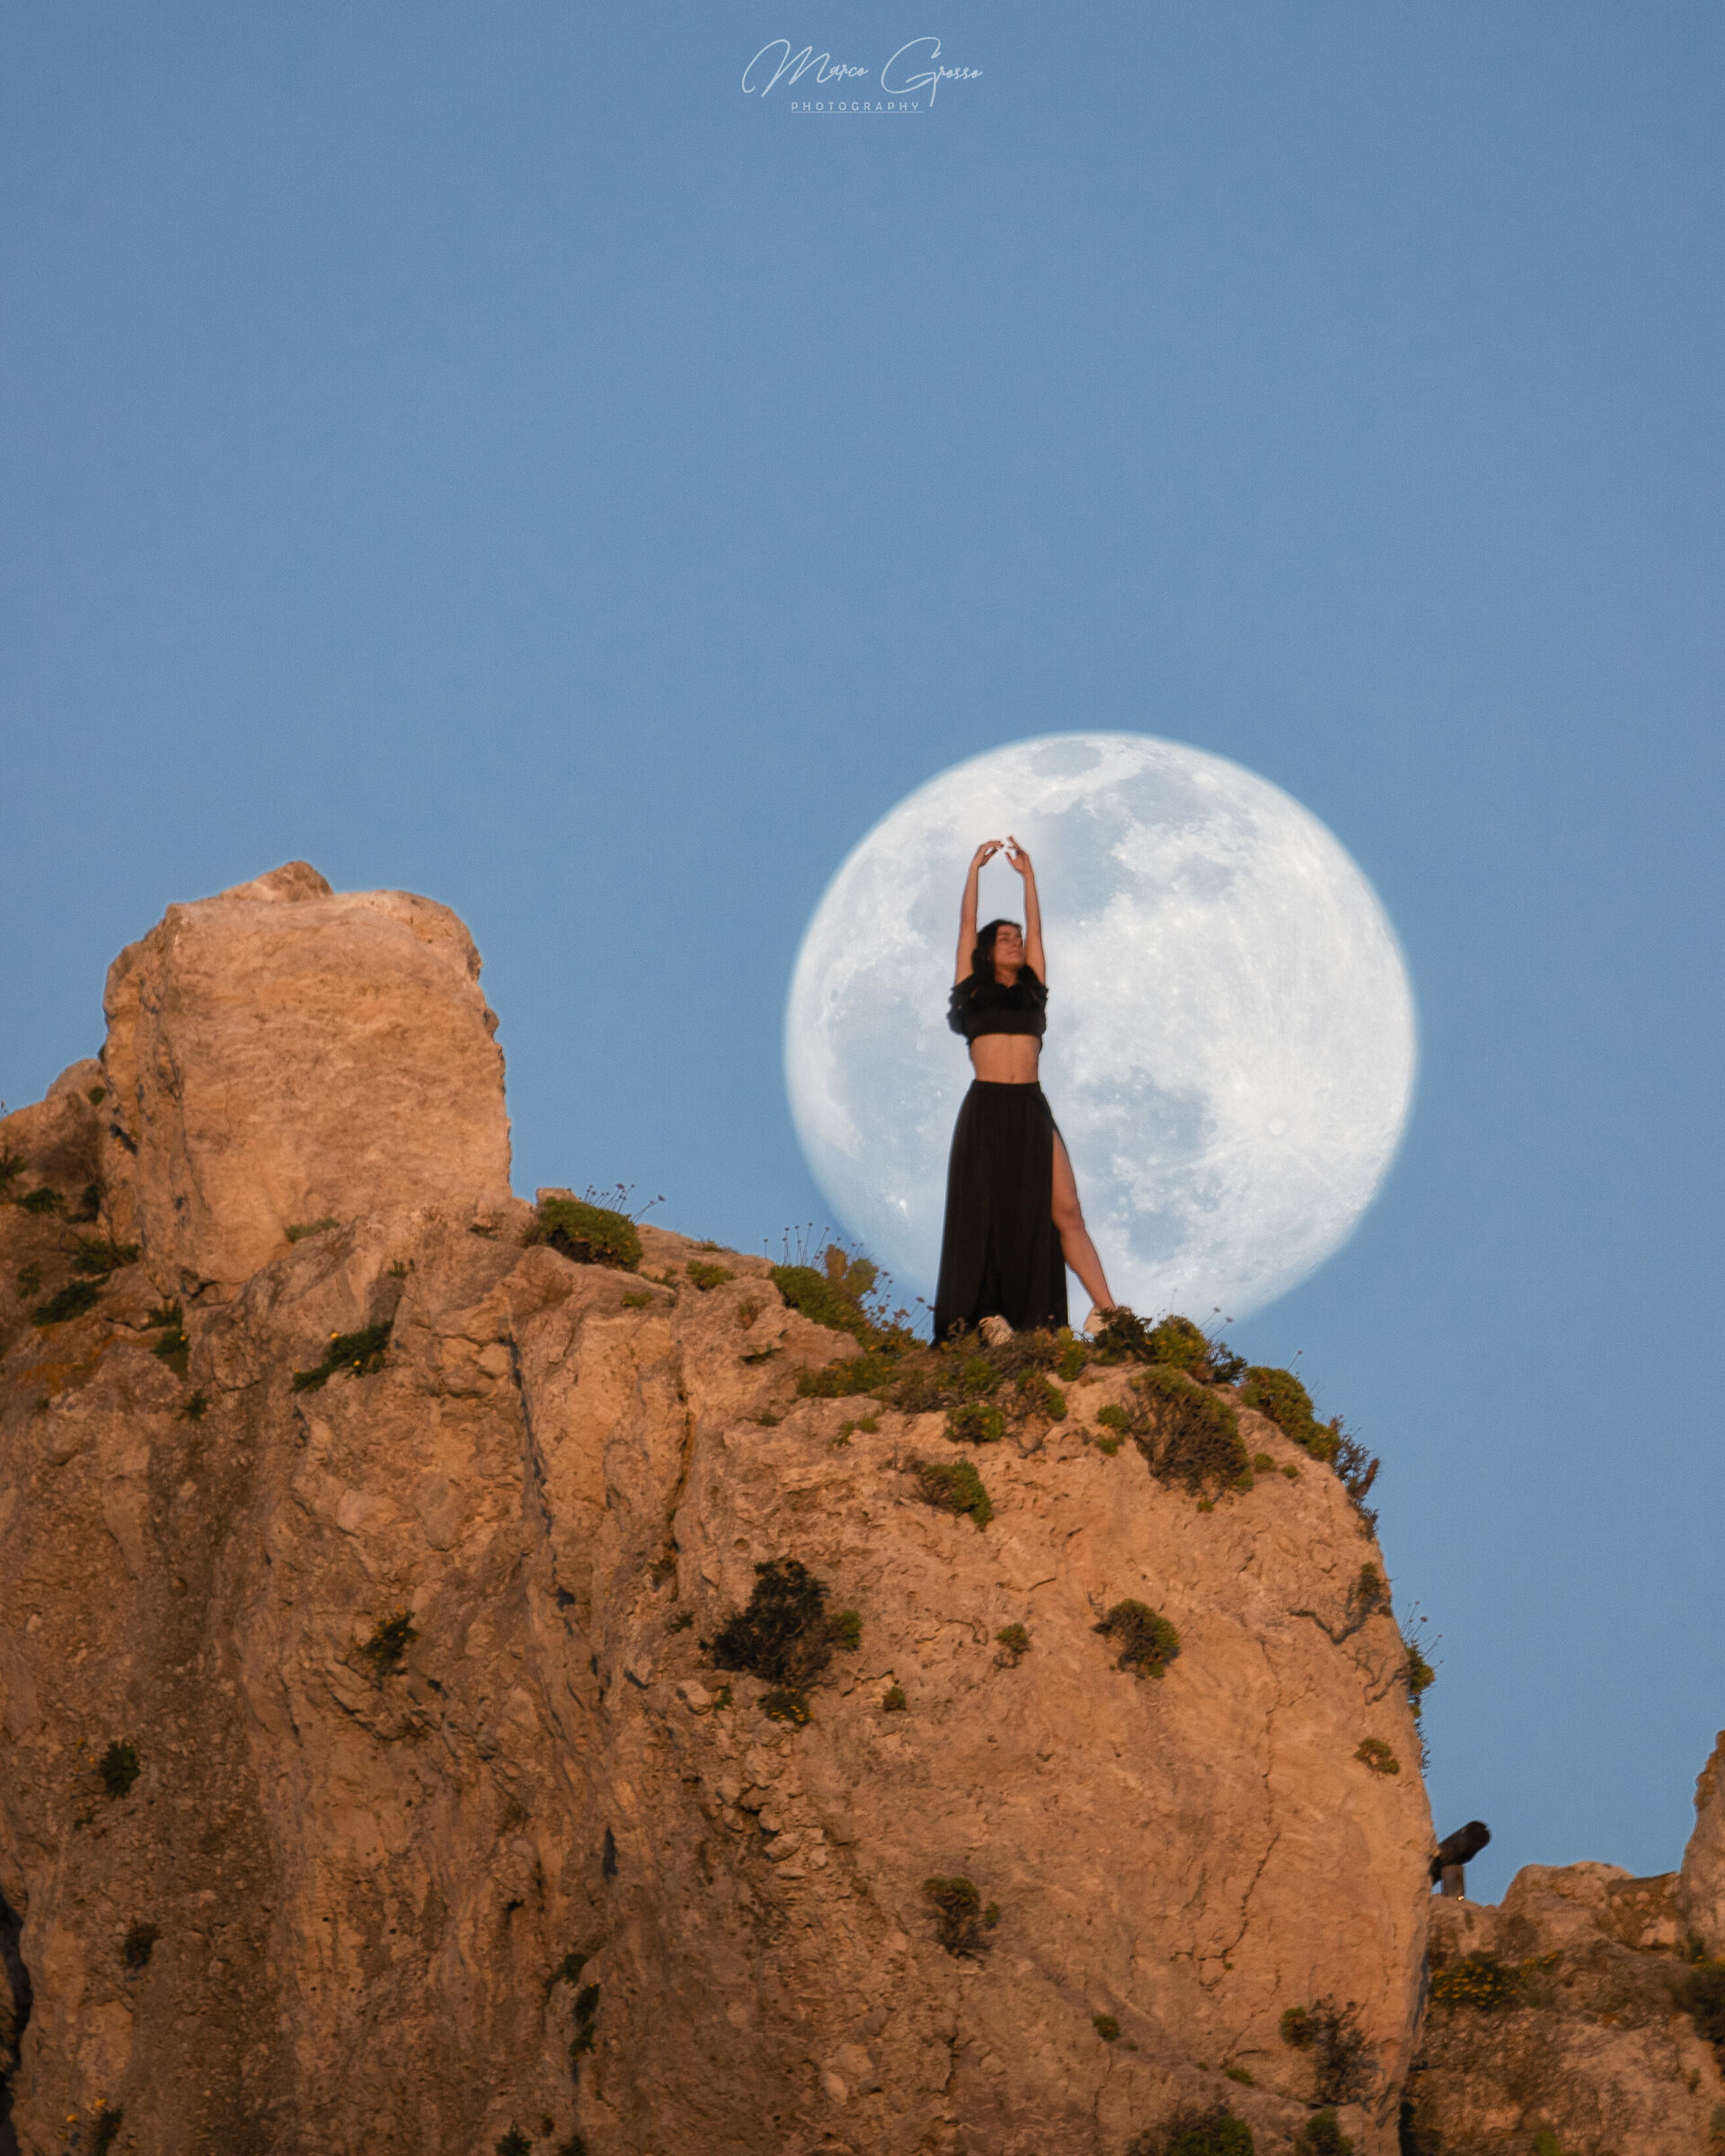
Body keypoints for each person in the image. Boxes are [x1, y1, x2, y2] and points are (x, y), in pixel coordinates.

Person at [933, 836, 1117, 1344]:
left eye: (1017, 936)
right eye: (1005, 938)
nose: (1015, 942)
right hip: (986, 1107)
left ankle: (1109, 1314)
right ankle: (987, 1316)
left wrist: (1028, 879)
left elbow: (1039, 931)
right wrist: (974, 870)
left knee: (1067, 1209)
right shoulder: (972, 988)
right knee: (987, 1216)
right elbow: (965, 926)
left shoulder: (1034, 990)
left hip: (1032, 1107)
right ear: (987, 951)